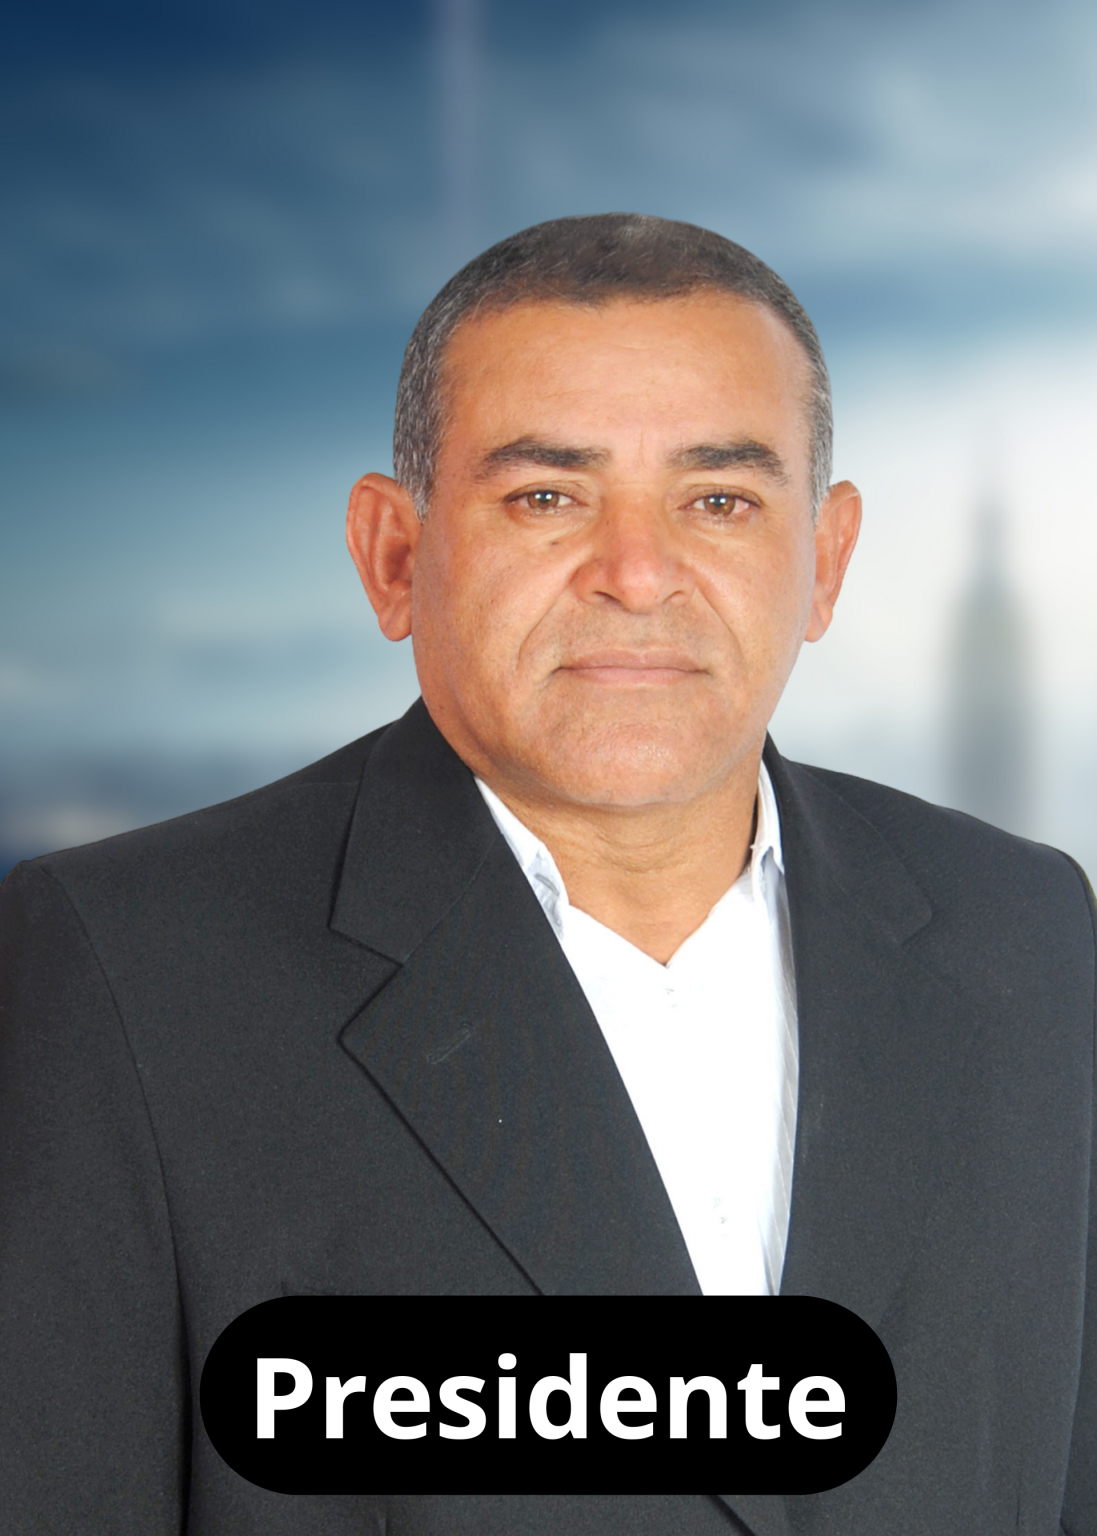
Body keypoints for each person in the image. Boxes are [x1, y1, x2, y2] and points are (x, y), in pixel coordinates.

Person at [0, 214, 1093, 1536]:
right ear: (393, 555)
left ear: (827, 558)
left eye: (719, 500)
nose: (637, 574)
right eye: (546, 497)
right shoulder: (122, 972)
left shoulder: (1027, 931)